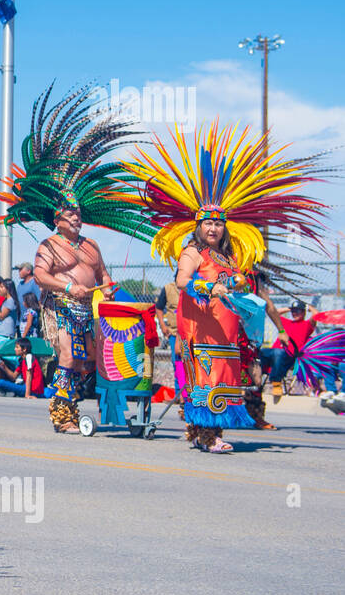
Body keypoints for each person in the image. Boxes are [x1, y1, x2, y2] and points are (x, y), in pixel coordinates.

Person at [117, 121, 330, 451]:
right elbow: (182, 281)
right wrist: (208, 287)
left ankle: (213, 435)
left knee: (226, 383)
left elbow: (241, 289)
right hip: (200, 332)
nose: (213, 228)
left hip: (227, 333)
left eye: (218, 222)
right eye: (208, 223)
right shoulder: (193, 251)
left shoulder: (228, 258)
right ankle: (206, 436)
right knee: (207, 381)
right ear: (198, 226)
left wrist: (239, 286)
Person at [0, 83, 151, 433]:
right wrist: (69, 286)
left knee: (87, 362)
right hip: (61, 308)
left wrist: (108, 288)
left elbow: (103, 275)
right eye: (69, 215)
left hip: (92, 308)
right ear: (57, 220)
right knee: (67, 356)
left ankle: (76, 406)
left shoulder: (92, 245)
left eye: (78, 214)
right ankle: (62, 416)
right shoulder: (48, 246)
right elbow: (40, 278)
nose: (76, 218)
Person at [264, 300, 316, 397]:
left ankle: (276, 385)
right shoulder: (287, 322)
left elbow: (316, 316)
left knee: (278, 355)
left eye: (298, 311)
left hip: (289, 356)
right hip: (274, 353)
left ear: (304, 312)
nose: (294, 313)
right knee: (257, 354)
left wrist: (309, 307)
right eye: (293, 311)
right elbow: (273, 312)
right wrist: (289, 308)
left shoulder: (306, 325)